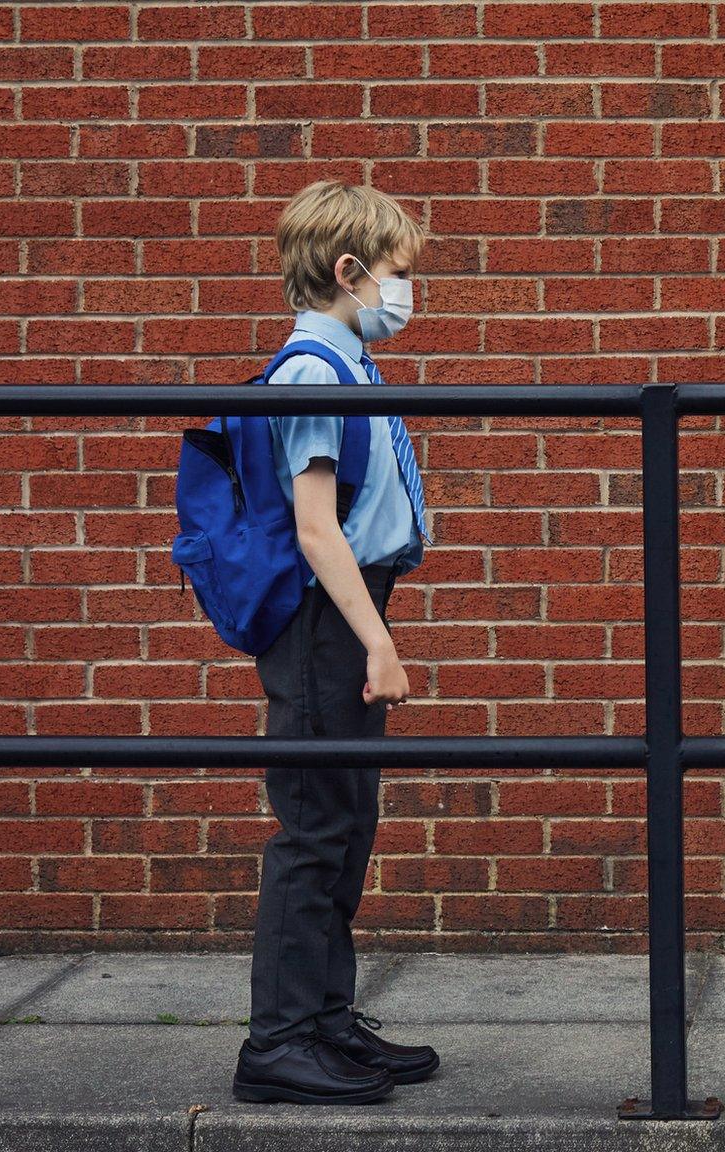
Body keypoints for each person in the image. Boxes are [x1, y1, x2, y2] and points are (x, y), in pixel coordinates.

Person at [232, 180, 439, 1106]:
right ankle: (277, 1043)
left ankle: (324, 1020)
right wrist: (378, 645)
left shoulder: (349, 361)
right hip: (329, 616)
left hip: (351, 608)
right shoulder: (314, 369)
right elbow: (318, 529)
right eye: (399, 274)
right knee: (315, 829)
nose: (407, 293)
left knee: (345, 824)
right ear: (350, 272)